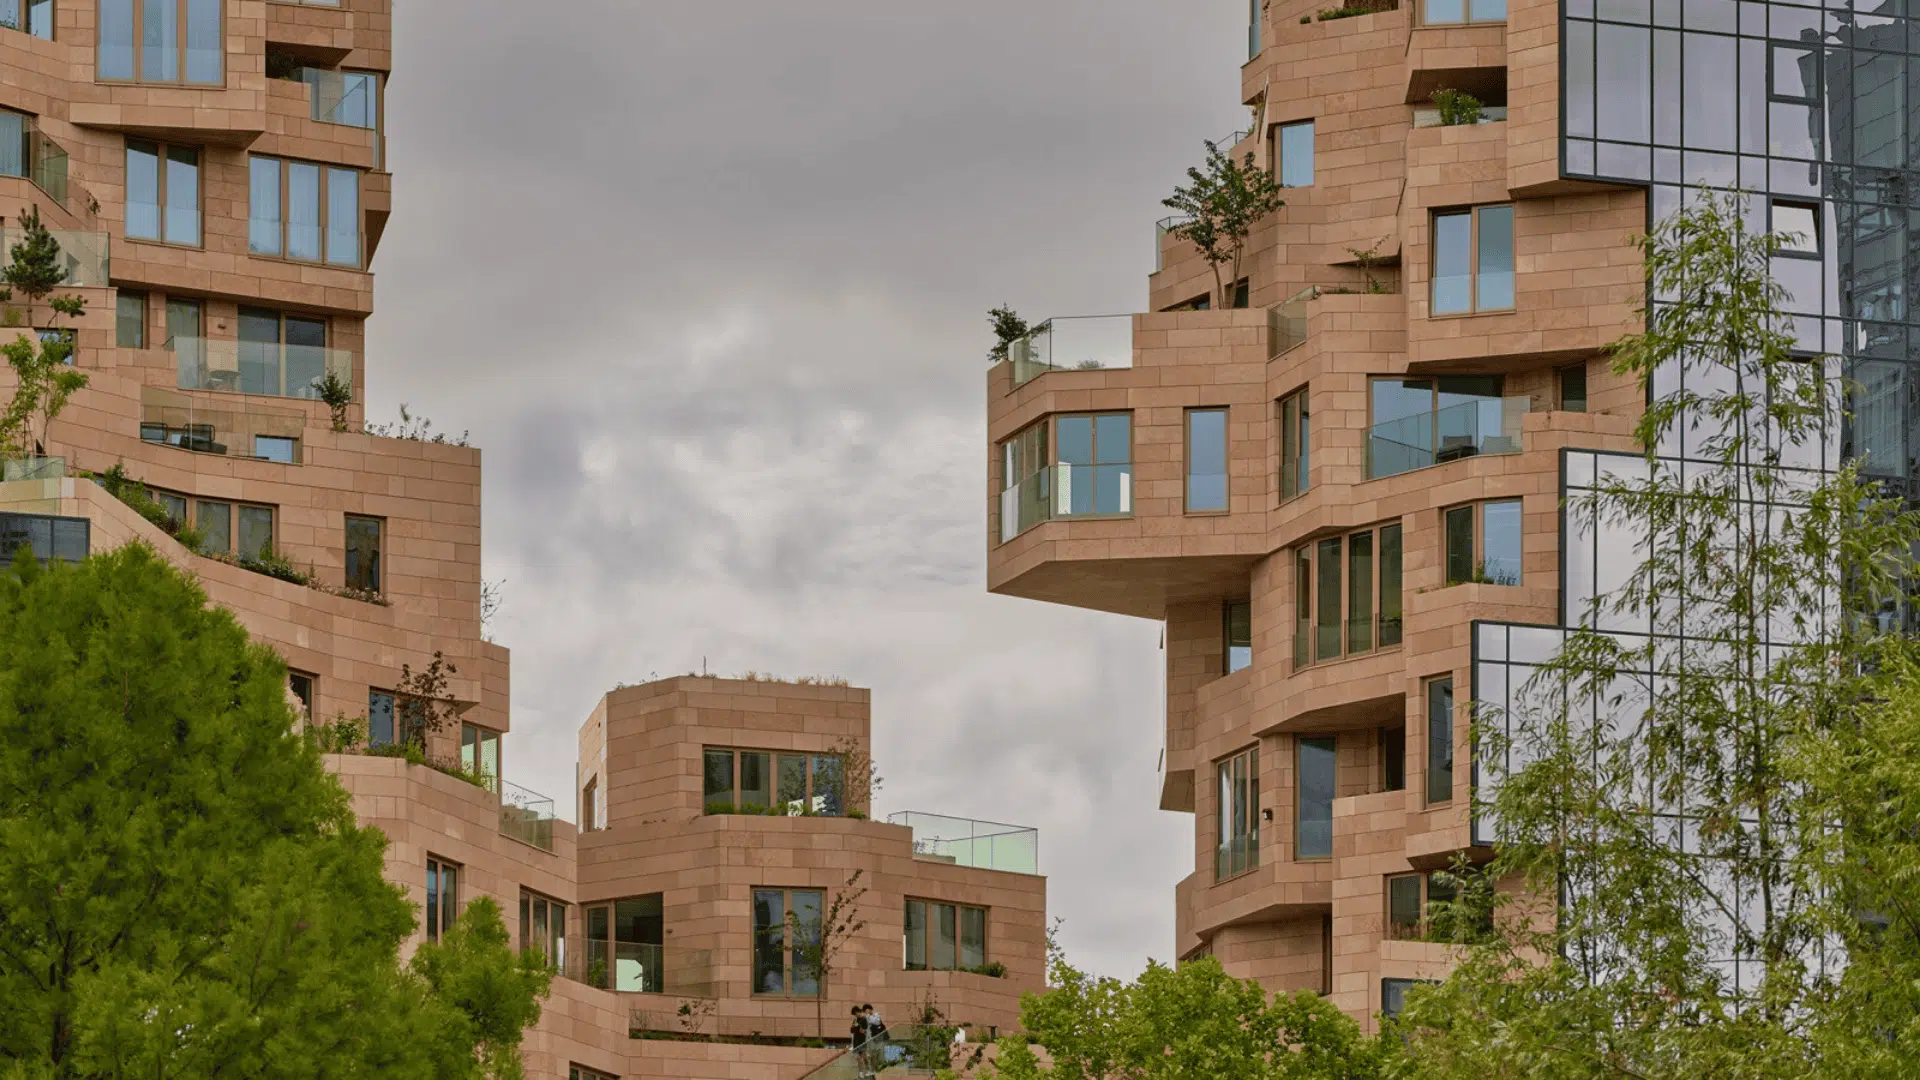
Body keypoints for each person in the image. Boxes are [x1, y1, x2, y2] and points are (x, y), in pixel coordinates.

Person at [850, 1005, 873, 1080]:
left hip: (862, 1041)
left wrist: (858, 1026)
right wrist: (853, 1026)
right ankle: (860, 1072)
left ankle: (868, 1070)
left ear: (857, 1012)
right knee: (857, 1057)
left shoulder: (864, 1019)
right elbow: (852, 1031)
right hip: (856, 1041)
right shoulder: (855, 1020)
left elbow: (863, 1031)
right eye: (854, 1014)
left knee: (864, 1057)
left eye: (855, 1013)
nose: (855, 1015)